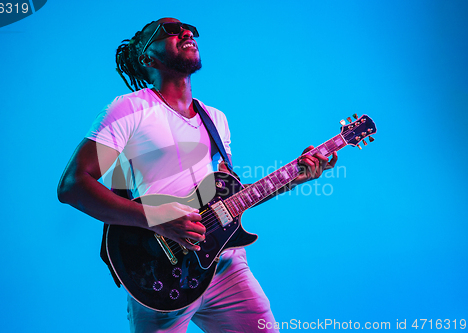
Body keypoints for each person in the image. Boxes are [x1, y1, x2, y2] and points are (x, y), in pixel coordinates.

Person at [57, 17, 337, 332]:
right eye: (170, 31)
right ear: (148, 58)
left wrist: (296, 177)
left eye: (189, 28)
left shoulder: (216, 119)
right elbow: (73, 185)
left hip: (227, 268)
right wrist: (157, 218)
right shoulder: (129, 109)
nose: (187, 32)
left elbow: (229, 198)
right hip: (160, 271)